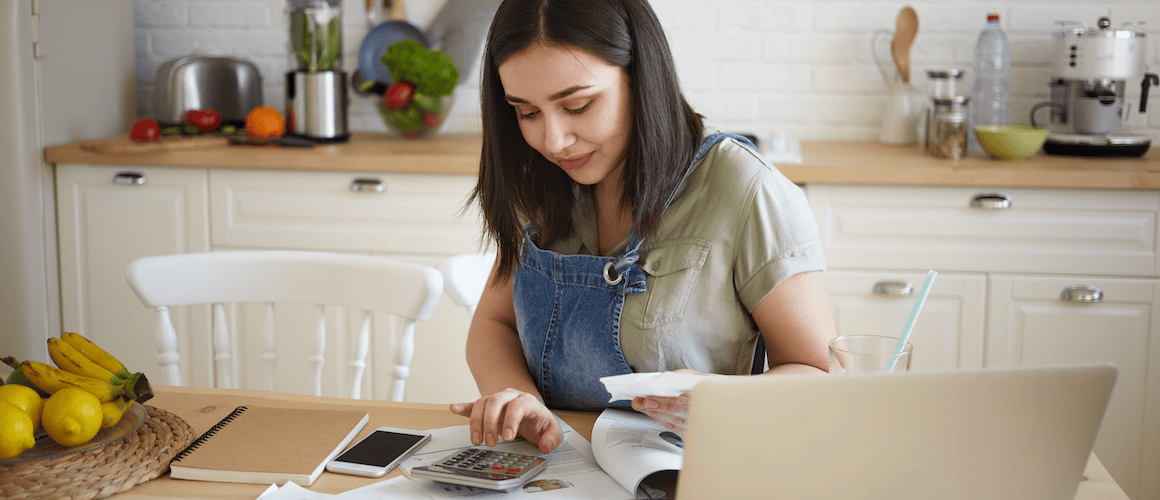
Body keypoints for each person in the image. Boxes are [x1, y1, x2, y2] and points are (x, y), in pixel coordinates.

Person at [449, 0, 836, 454]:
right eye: (526, 113)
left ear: (641, 77)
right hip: (559, 473)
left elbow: (820, 374)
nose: (553, 140)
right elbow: (495, 322)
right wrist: (520, 398)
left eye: (577, 105)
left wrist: (725, 399)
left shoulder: (745, 189)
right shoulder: (541, 181)